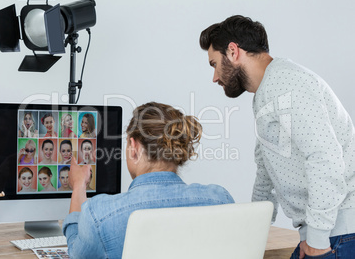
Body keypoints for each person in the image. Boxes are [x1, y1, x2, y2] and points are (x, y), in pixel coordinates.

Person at [200, 15, 355, 258]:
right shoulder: (268, 91)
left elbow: (324, 158)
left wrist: (317, 238)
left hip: (337, 235)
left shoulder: (287, 83)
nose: (215, 77)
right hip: (328, 233)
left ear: (232, 51)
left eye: (214, 64)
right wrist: (253, 230)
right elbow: (266, 172)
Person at [63, 102, 234, 258]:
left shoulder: (99, 214)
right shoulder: (220, 200)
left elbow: (76, 254)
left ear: (134, 147)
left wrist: (78, 185)